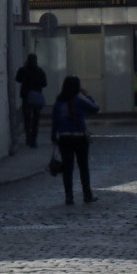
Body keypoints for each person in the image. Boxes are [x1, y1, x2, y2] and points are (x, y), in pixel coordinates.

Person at [51, 75, 98, 207]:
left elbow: (55, 120)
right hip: (79, 137)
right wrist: (88, 95)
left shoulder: (58, 102)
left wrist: (54, 136)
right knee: (83, 167)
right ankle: (87, 194)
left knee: (67, 168)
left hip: (64, 138)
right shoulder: (79, 100)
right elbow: (95, 108)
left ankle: (69, 196)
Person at [15, 53, 48, 149]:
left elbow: (17, 79)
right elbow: (44, 84)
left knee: (27, 118)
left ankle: (28, 137)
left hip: (26, 97)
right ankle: (34, 139)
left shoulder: (23, 70)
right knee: (36, 119)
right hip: (36, 96)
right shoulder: (40, 71)